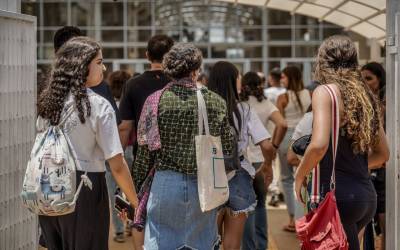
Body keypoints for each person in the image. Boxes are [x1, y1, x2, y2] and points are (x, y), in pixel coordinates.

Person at [37, 36, 138, 250]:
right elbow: (117, 165)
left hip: (48, 186)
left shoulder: (49, 102)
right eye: (99, 62)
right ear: (83, 66)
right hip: (85, 188)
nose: (104, 67)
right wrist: (136, 203)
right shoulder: (98, 106)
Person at [132, 43, 233, 249]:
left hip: (165, 185)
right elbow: (228, 147)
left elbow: (144, 154)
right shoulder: (215, 102)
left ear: (169, 69)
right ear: (196, 69)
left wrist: (135, 189)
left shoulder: (155, 101)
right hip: (204, 186)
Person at [294, 35, 389, 250]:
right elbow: (383, 154)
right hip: (365, 196)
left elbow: (318, 145)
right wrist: (353, 170)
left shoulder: (325, 92)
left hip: (336, 197)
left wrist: (300, 176)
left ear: (322, 60)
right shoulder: (365, 96)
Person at [208, 62, 274, 250]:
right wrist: (267, 165)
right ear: (232, 80)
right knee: (233, 243)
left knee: (211, 240)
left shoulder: (205, 109)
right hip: (240, 176)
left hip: (212, 178)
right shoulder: (244, 110)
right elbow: (267, 145)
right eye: (238, 77)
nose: (240, 81)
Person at [118, 34, 173, 249]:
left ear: (147, 55)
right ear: (171, 56)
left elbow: (125, 126)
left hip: (143, 158)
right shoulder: (179, 83)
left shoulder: (133, 84)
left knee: (139, 208)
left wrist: (119, 157)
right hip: (173, 158)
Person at [240, 72, 287, 250]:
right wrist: (273, 146)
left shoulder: (240, 105)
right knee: (260, 205)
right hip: (262, 161)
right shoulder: (265, 104)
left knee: (247, 206)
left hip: (244, 162)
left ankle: (249, 247)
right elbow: (282, 124)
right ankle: (262, 245)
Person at [54, 26, 121, 125]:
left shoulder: (48, 91)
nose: (103, 68)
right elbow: (113, 125)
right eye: (98, 62)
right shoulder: (99, 93)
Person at [276, 65, 311, 232]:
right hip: (305, 137)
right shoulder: (309, 95)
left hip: (287, 137)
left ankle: (292, 219)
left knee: (287, 179)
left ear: (290, 78)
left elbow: (281, 124)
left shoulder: (282, 98)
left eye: (283, 77)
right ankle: (305, 216)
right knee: (304, 176)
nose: (281, 79)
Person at [361, 62, 387, 250]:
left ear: (380, 79)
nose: (365, 82)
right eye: (362, 78)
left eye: (369, 78)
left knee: (384, 217)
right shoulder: (360, 101)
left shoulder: (388, 101)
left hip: (384, 166)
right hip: (366, 165)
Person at [105, 70, 132, 243]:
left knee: (113, 193)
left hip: (110, 152)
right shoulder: (129, 105)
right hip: (129, 150)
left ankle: (119, 230)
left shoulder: (107, 104)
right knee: (130, 190)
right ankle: (131, 221)